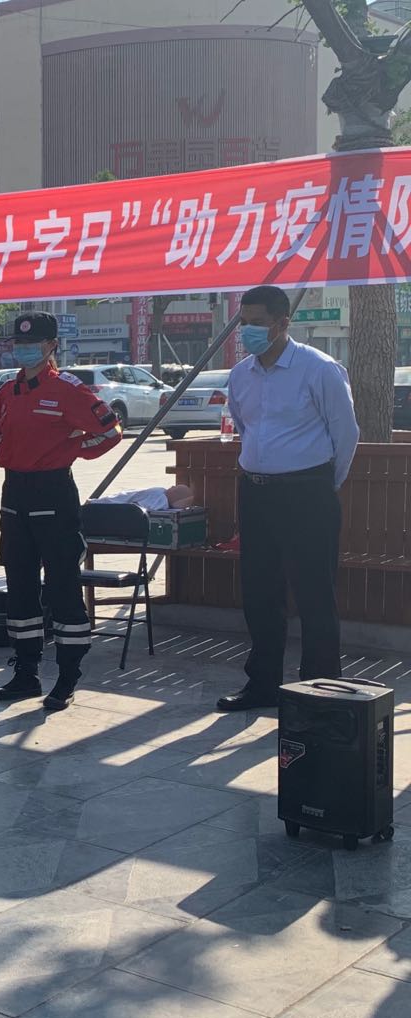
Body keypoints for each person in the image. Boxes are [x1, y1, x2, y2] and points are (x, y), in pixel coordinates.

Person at [216, 284, 360, 712]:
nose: (248, 331)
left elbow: (345, 434)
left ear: (282, 323)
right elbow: (245, 427)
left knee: (314, 594)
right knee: (260, 593)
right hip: (257, 492)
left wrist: (322, 484)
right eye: (244, 323)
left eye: (258, 323)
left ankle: (318, 690)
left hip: (307, 494)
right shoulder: (241, 375)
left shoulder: (319, 369)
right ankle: (262, 684)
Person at [0, 311, 124, 712]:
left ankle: (67, 675)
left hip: (54, 492)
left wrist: (67, 451)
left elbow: (110, 431)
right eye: (19, 343)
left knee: (62, 585)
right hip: (15, 493)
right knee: (20, 585)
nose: (24, 349)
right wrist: (19, 455)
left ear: (51, 346)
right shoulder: (8, 391)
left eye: (33, 343)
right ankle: (25, 671)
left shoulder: (69, 389)